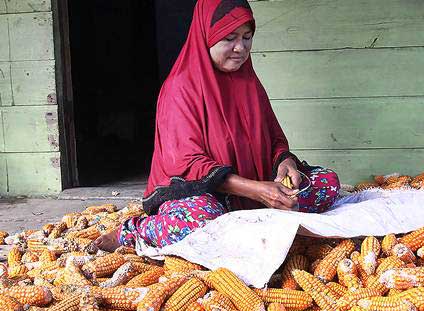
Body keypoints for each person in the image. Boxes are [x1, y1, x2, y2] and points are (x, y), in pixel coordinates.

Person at [95, 0, 340, 252]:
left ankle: (250, 218)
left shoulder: (249, 83)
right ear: (206, 37)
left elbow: (274, 139)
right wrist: (257, 190)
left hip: (255, 190)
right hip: (203, 194)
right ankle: (135, 230)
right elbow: (189, 164)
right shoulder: (180, 89)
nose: (240, 47)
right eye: (229, 38)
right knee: (203, 220)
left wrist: (285, 165)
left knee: (327, 183)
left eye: (247, 37)